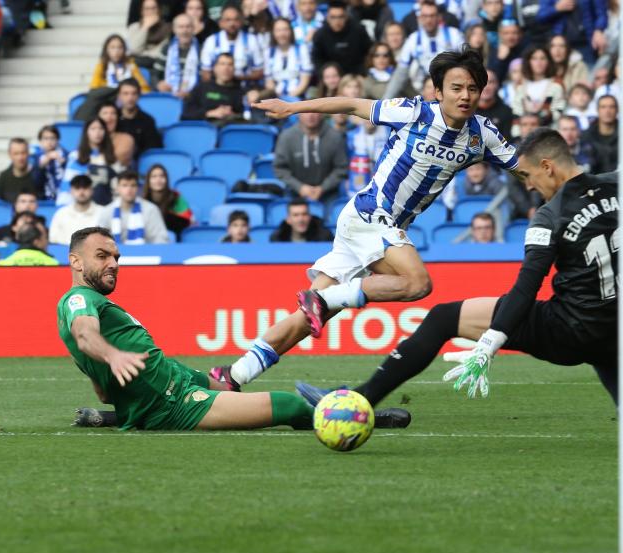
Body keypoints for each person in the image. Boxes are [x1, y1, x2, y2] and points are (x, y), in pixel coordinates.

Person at [293, 80, 623, 427]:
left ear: (547, 167)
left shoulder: (549, 216)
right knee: (605, 351)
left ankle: (360, 401)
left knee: (441, 318)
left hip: (567, 331)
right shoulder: (622, 183)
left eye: (526, 175)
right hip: (622, 327)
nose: (525, 185)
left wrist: (489, 343)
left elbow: (525, 289)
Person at [211, 47, 519, 390]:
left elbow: (529, 169)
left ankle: (234, 376)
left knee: (305, 319)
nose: (465, 96)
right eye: (457, 87)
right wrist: (291, 107)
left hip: (377, 229)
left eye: (473, 89)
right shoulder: (414, 112)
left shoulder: (482, 136)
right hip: (370, 215)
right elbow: (350, 104)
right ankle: (326, 299)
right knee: (417, 283)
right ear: (438, 91)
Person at [59, 227, 409, 431]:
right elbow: (86, 335)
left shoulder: (94, 304)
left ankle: (122, 418)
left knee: (231, 382)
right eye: (102, 256)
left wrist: (114, 389)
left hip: (175, 377)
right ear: (75, 261)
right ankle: (362, 418)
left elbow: (103, 388)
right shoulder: (78, 301)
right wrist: (114, 355)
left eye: (116, 257)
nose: (114, 264)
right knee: (287, 404)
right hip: (174, 402)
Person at [273, 111, 348, 207]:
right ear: (299, 114)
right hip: (295, 192)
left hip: (329, 193)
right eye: (306, 112)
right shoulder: (286, 137)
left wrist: (322, 188)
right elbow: (280, 168)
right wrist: (300, 187)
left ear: (321, 114)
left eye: (314, 112)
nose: (310, 116)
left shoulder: (335, 137)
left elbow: (341, 168)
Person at [394, 0, 464, 91]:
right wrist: (385, 100)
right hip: (420, 90)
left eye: (432, 16)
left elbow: (468, 62)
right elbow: (400, 73)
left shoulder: (454, 35)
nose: (428, 20)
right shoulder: (413, 39)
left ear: (439, 17)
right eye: (425, 16)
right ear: (419, 18)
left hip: (451, 86)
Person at [97, 171, 171, 245]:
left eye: (133, 185)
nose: (129, 190)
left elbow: (161, 239)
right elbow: (99, 240)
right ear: (118, 188)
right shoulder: (107, 211)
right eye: (124, 185)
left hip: (145, 254)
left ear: (138, 188)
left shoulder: (151, 209)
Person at [200, 4, 265, 83]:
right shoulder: (211, 41)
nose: (232, 24)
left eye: (235, 20)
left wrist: (235, 79)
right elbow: (205, 74)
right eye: (228, 20)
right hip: (219, 88)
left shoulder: (251, 40)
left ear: (241, 21)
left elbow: (259, 72)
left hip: (245, 88)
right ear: (221, 22)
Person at [310, 1, 373, 78]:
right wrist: (326, 75)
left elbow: (369, 52)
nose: (337, 21)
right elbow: (317, 59)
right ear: (327, 18)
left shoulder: (358, 30)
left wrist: (362, 72)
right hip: (331, 78)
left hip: (356, 76)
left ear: (346, 17)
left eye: (341, 17)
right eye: (333, 17)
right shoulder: (320, 35)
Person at [64, 118, 118, 206]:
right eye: (93, 129)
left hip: (106, 208)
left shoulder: (111, 158)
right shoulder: (75, 156)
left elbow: (117, 187)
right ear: (86, 132)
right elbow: (68, 187)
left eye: (101, 128)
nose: (97, 132)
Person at [182, 53, 245, 123]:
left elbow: (244, 118)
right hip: (203, 130)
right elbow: (185, 115)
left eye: (230, 64)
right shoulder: (201, 88)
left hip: (227, 129)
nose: (226, 68)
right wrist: (209, 113)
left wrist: (232, 115)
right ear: (215, 68)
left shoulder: (239, 92)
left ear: (234, 69)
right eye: (222, 64)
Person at [114, 79, 163, 159]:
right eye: (125, 94)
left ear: (139, 96)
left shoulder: (147, 120)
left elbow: (153, 150)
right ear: (119, 96)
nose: (130, 98)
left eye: (134, 94)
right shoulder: (114, 118)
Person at [142, 163, 192, 236]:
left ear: (166, 179)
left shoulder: (176, 197)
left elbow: (187, 221)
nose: (158, 180)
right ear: (148, 181)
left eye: (162, 176)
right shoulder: (143, 201)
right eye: (154, 176)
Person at [50, 175, 103, 245]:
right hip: (65, 254)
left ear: (92, 190)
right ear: (71, 191)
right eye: (77, 188)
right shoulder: (61, 214)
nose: (81, 192)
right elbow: (53, 240)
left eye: (85, 188)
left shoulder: (103, 213)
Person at [159, 13, 202, 99]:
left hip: (194, 97)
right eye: (181, 27)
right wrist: (159, 84)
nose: (184, 31)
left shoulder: (201, 50)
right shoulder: (166, 48)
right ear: (174, 29)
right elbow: (155, 73)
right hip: (168, 95)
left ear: (193, 29)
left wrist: (190, 93)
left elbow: (205, 79)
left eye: (188, 27)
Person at [579, 94, 618, 173]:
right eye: (603, 107)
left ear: (617, 110)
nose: (608, 111)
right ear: (597, 110)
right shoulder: (586, 136)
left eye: (612, 107)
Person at [0, 138, 39, 203]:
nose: (20, 157)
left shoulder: (38, 175)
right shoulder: (3, 177)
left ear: (28, 153)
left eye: (23, 153)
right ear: (10, 154)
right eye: (16, 153)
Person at [268, 198, 334, 242]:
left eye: (304, 214)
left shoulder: (324, 237)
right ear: (288, 219)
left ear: (310, 217)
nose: (301, 219)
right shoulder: (278, 239)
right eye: (296, 215)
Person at [33, 125, 67, 205]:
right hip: (42, 199)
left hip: (63, 198)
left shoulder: (66, 155)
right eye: (46, 138)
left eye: (52, 138)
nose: (49, 142)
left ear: (57, 140)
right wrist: (42, 165)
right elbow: (34, 182)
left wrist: (63, 163)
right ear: (40, 141)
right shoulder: (34, 158)